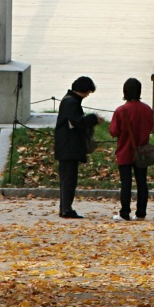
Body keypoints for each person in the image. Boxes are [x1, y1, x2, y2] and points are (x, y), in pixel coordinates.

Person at [108, 77, 154, 220]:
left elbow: (114, 131)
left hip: (125, 151)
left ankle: (125, 212)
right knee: (142, 183)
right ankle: (141, 212)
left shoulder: (121, 110)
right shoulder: (147, 109)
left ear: (125, 91)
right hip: (142, 152)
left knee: (126, 183)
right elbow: (151, 127)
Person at [54, 76, 100, 219]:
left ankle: (65, 207)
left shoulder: (69, 100)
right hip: (68, 147)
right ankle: (66, 209)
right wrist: (93, 119)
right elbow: (77, 122)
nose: (87, 96)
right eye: (88, 92)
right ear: (83, 90)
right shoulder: (71, 102)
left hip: (67, 146)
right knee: (68, 179)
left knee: (68, 179)